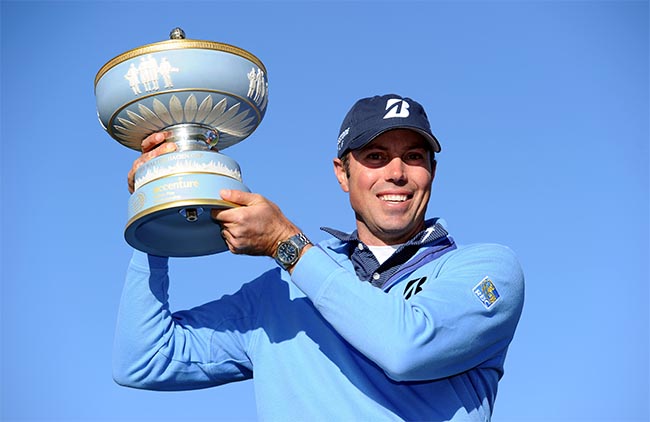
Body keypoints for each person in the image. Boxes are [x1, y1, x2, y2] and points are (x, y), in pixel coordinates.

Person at [114, 94, 525, 421]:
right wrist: (158, 210)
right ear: (342, 173)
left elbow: (405, 349)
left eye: (414, 157)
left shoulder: (486, 269)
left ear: (432, 172)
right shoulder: (281, 292)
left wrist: (286, 245)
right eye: (375, 156)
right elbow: (144, 360)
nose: (396, 173)